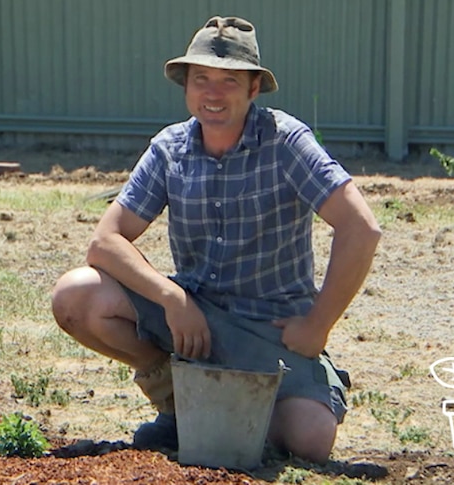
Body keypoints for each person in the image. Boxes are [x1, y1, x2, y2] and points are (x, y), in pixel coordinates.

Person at [51, 15, 381, 464]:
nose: (212, 93)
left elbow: (361, 228)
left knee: (309, 441)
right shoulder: (170, 148)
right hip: (192, 323)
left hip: (271, 329)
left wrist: (317, 324)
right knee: (76, 295)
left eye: (229, 81)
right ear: (186, 86)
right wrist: (171, 298)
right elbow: (106, 242)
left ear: (253, 89)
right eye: (201, 78)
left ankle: (237, 406)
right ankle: (180, 404)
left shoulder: (286, 142)